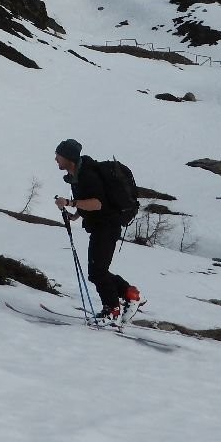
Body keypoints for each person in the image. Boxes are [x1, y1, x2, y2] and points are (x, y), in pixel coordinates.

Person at [53, 138, 141, 324]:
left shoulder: (87, 175)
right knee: (97, 271)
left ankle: (112, 310)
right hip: (101, 226)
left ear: (69, 157)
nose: (56, 159)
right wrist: (76, 214)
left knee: (98, 272)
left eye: (58, 155)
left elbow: (98, 203)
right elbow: (89, 200)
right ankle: (129, 294)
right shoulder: (77, 174)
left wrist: (70, 203)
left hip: (108, 226)